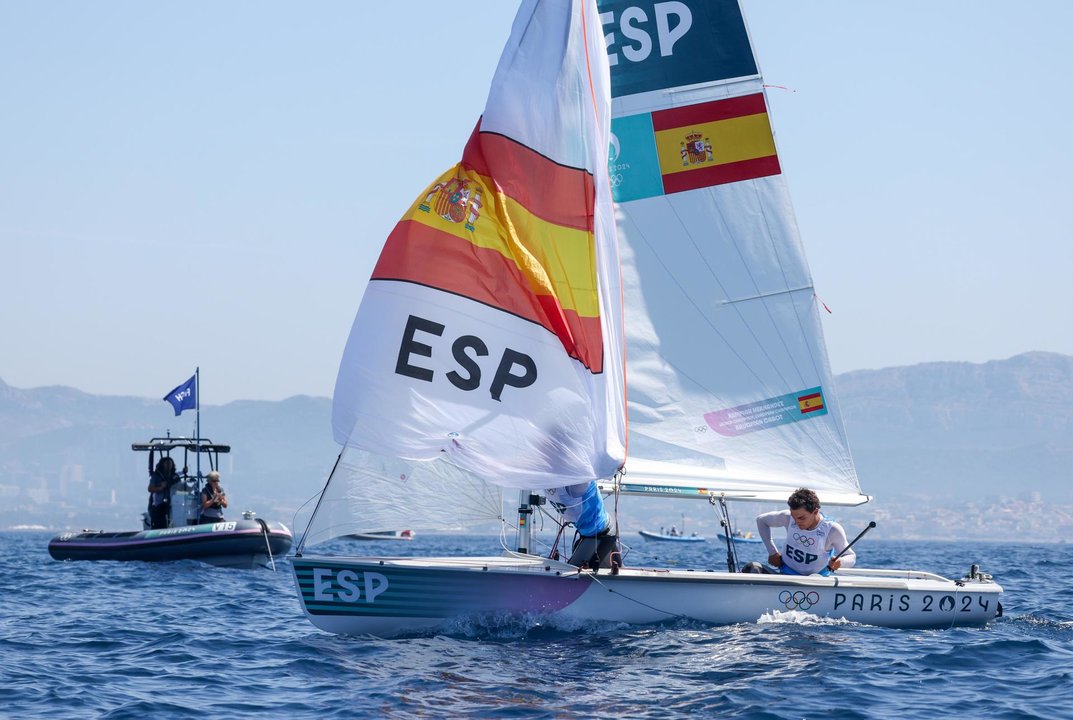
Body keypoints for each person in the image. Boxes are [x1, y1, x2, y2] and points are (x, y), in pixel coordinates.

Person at [743, 487, 856, 575]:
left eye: (802, 518)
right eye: (794, 516)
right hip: (785, 575)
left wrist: (840, 562)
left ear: (815, 511)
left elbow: (851, 557)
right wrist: (772, 552)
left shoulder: (832, 530)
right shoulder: (788, 517)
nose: (796, 522)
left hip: (815, 583)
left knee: (814, 579)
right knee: (751, 567)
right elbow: (761, 520)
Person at [545, 481, 619, 570]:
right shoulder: (547, 481)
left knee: (571, 571)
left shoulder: (579, 483)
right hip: (588, 535)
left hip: (602, 533)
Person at [147, 456, 180, 529]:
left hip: (173, 503)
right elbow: (150, 488)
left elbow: (179, 483)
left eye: (170, 464)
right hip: (159, 504)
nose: (169, 465)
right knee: (158, 523)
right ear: (162, 464)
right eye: (167, 463)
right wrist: (161, 487)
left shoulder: (173, 476)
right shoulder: (156, 476)